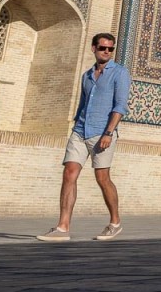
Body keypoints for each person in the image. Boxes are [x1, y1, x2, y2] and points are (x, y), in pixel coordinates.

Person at [37, 33, 131, 242]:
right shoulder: (87, 76)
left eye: (110, 49)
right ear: (93, 48)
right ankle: (63, 227)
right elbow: (83, 104)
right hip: (80, 131)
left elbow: (120, 106)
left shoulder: (120, 73)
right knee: (69, 173)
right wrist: (75, 125)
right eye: (102, 48)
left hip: (102, 132)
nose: (106, 51)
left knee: (102, 178)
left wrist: (108, 133)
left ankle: (115, 222)